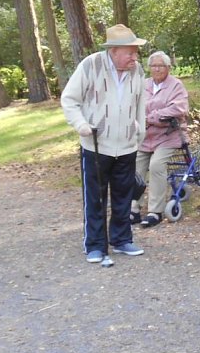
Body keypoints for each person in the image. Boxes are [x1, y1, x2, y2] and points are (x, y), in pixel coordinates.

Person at [60, 24, 147, 263]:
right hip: (96, 144)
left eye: (135, 51)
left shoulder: (137, 71)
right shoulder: (90, 65)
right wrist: (81, 125)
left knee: (123, 195)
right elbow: (69, 100)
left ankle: (121, 240)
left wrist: (141, 131)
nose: (134, 56)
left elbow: (141, 103)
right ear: (114, 51)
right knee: (96, 197)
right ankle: (95, 245)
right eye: (130, 51)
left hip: (127, 144)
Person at [131, 51, 190, 229]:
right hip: (144, 136)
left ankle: (155, 211)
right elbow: (132, 104)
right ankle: (133, 208)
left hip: (168, 136)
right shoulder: (144, 84)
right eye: (153, 66)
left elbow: (179, 109)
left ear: (168, 68)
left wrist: (152, 117)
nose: (156, 69)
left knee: (156, 165)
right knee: (135, 167)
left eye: (160, 66)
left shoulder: (176, 86)